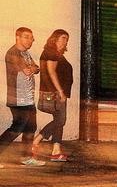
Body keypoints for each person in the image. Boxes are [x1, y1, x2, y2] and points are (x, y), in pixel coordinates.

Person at [0, 27, 45, 167]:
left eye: (31, 37)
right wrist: (31, 68)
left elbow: (36, 68)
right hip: (18, 98)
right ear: (17, 37)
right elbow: (26, 70)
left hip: (28, 98)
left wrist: (33, 68)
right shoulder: (13, 53)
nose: (30, 40)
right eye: (26, 37)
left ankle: (26, 157)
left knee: (30, 128)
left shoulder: (25, 53)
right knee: (17, 128)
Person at [33, 29, 73, 162]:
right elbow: (51, 72)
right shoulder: (51, 52)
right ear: (54, 38)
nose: (65, 41)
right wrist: (61, 92)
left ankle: (56, 151)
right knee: (61, 120)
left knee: (59, 121)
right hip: (55, 93)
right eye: (62, 38)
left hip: (57, 92)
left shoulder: (56, 53)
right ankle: (36, 141)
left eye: (66, 39)